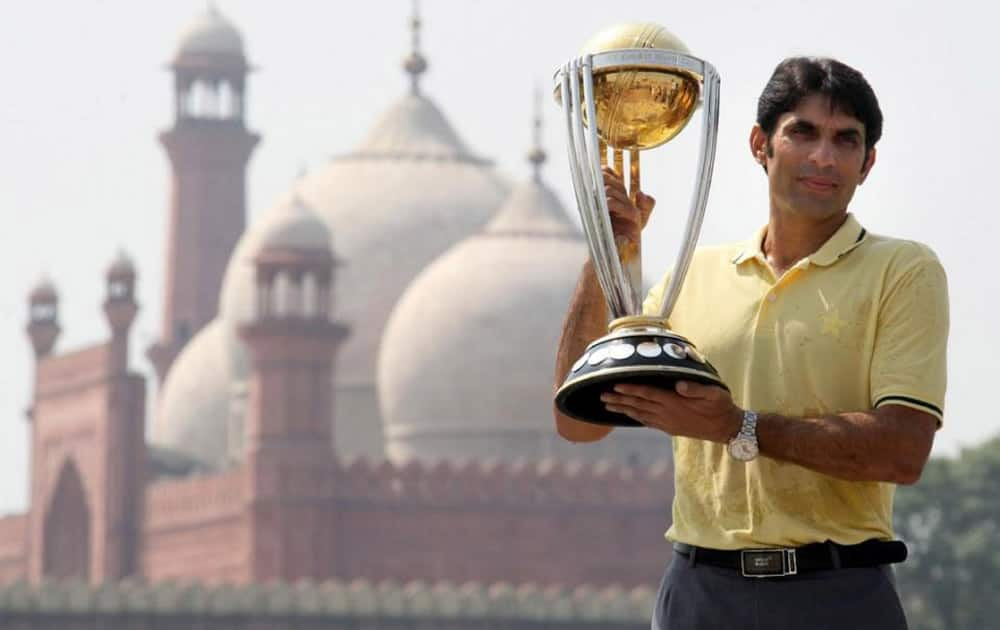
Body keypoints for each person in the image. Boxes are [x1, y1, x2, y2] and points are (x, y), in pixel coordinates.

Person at [553, 56, 948, 629]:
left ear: (868, 164)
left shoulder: (901, 271)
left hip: (837, 593)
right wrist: (607, 255)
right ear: (760, 143)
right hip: (701, 593)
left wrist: (736, 426)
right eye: (803, 132)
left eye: (846, 140)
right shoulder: (694, 277)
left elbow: (902, 451)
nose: (823, 158)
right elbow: (579, 423)